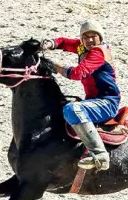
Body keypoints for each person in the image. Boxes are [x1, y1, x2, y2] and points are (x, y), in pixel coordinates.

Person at [42, 20, 120, 170]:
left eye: (94, 36)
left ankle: (100, 155)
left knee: (72, 109)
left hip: (107, 103)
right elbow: (64, 42)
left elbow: (78, 73)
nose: (90, 40)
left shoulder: (98, 52)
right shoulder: (81, 47)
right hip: (94, 100)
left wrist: (54, 65)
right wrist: (50, 44)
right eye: (86, 37)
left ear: (100, 38)